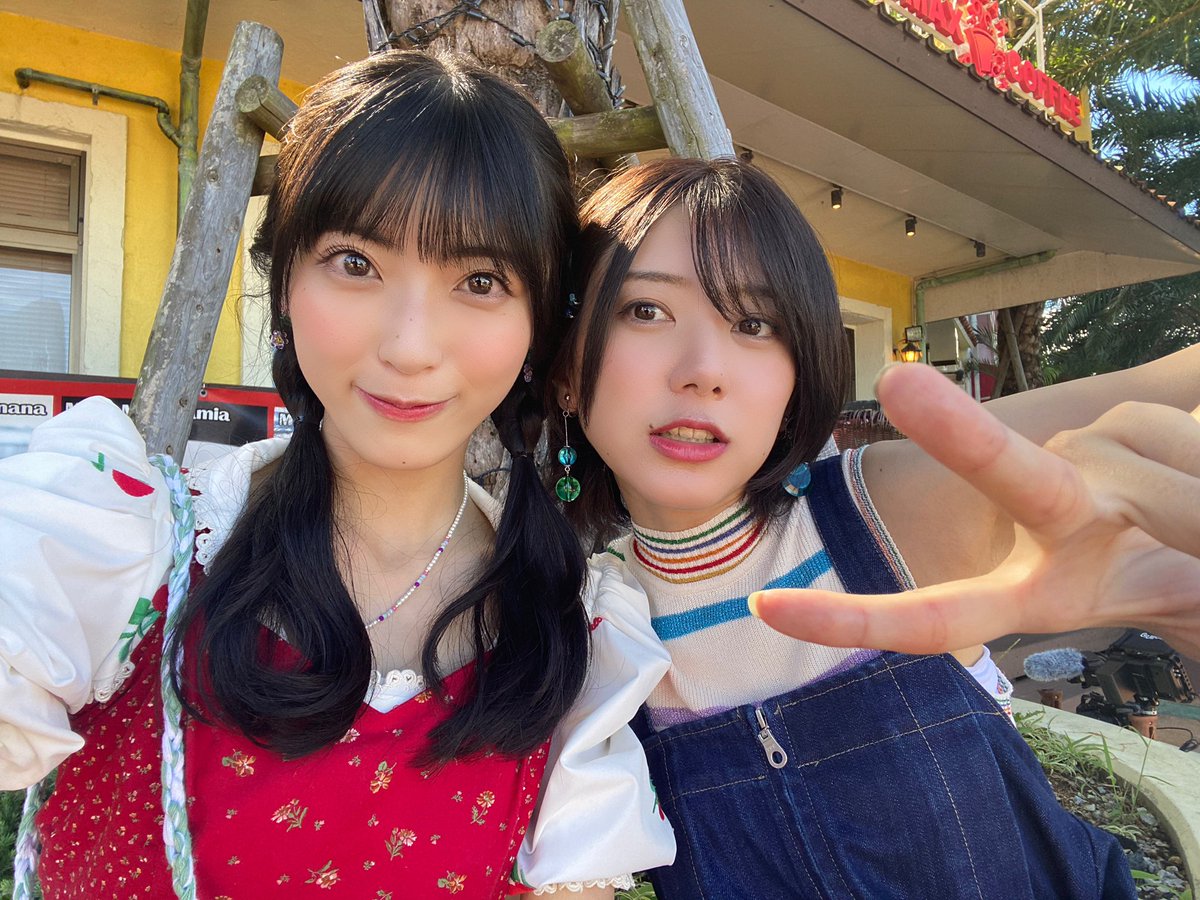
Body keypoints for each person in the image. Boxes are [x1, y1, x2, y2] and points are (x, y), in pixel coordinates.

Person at [0, 52, 674, 898]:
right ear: (284, 282)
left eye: (479, 281)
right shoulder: (122, 540)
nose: (410, 347)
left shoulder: (572, 627)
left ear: (538, 322)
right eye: (357, 263)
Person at [547, 156, 1200, 899]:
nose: (703, 370)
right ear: (565, 370)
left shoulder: (880, 512)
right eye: (645, 310)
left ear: (796, 379)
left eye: (755, 324)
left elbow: (1162, 395)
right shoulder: (591, 633)